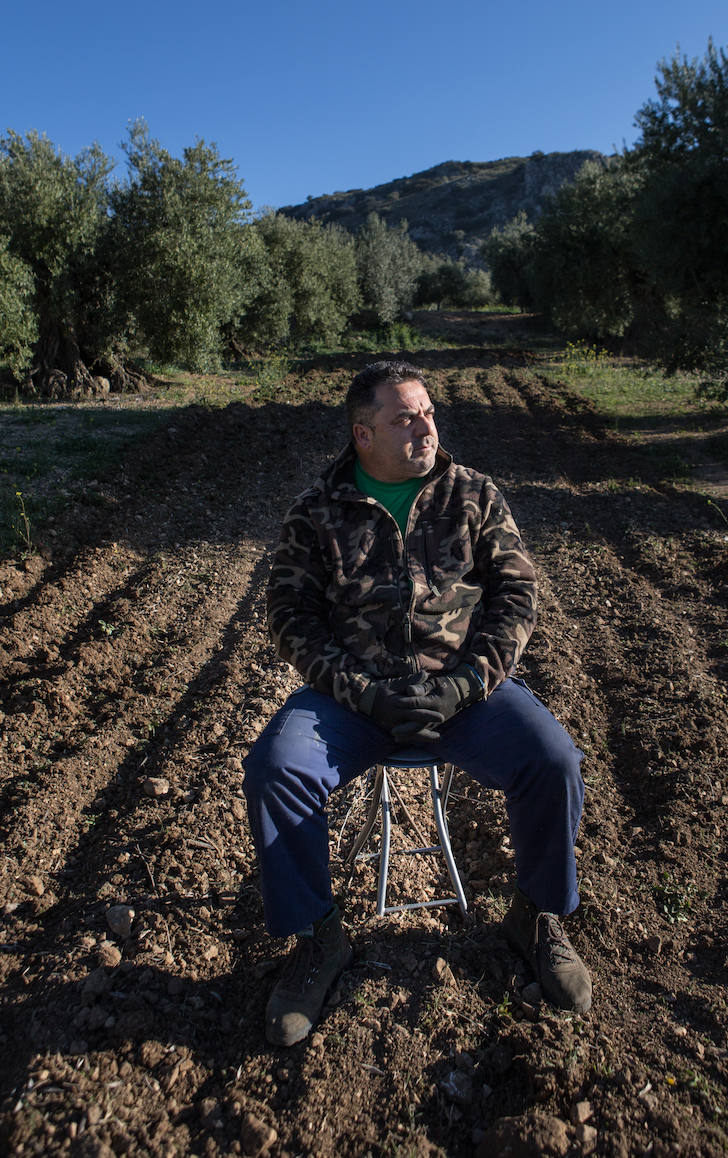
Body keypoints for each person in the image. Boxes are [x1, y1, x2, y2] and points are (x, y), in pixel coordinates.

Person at [243, 360, 591, 1046]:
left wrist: (467, 683)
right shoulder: (318, 510)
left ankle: (538, 916)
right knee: (276, 768)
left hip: (463, 695)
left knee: (553, 760)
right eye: (404, 418)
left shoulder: (473, 495)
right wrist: (360, 689)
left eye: (428, 413)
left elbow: (518, 598)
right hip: (355, 701)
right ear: (363, 433)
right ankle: (318, 938)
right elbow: (289, 614)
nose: (424, 427)